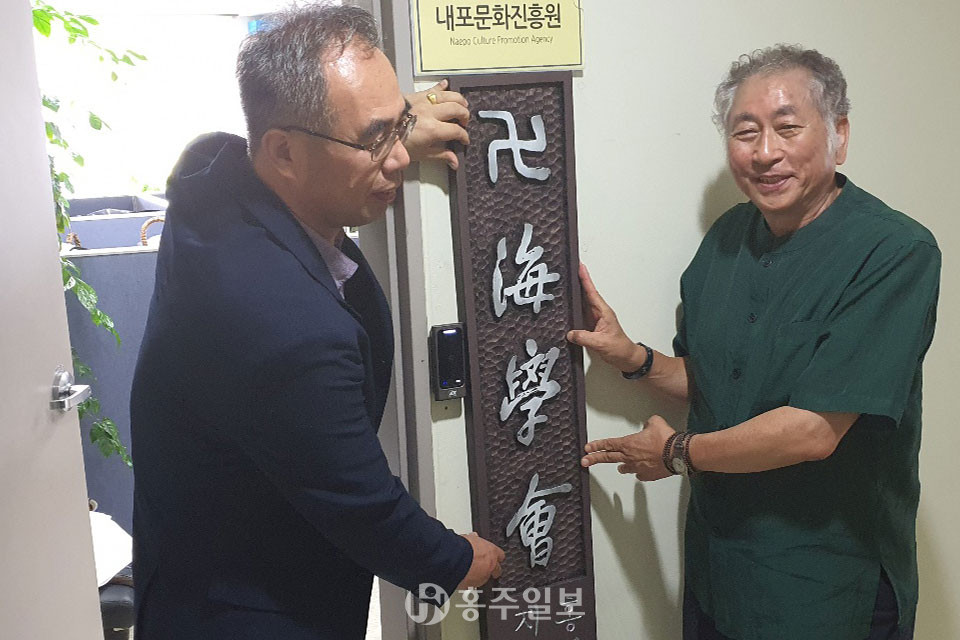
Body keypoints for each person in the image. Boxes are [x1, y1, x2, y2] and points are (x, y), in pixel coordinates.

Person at [129, 5, 503, 639]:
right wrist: (456, 560)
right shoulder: (282, 319)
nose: (398, 158)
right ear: (284, 152)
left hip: (189, 565)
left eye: (398, 124)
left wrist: (380, 136)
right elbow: (361, 502)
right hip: (249, 613)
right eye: (374, 139)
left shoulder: (212, 177)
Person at [567, 45, 939, 640]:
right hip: (720, 568)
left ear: (839, 136)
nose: (765, 152)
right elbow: (717, 380)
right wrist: (634, 359)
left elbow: (815, 429)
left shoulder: (894, 252)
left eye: (787, 128)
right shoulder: (727, 238)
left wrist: (676, 453)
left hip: (823, 583)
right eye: (746, 132)